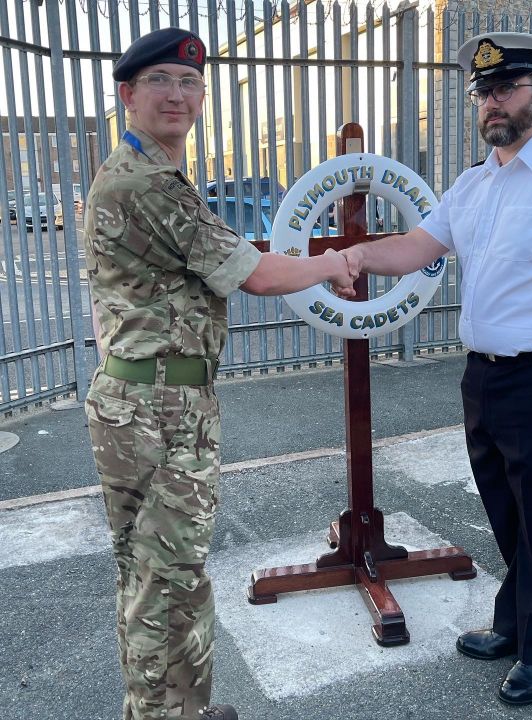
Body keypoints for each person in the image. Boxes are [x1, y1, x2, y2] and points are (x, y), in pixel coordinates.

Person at [333, 32, 532, 706]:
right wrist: (353, 258)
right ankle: (514, 622)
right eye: (483, 92)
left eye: (506, 88)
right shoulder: (474, 183)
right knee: (507, 510)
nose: (491, 103)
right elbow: (419, 245)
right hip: (484, 376)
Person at [83, 28, 355, 720]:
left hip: (149, 397)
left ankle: (182, 709)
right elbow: (255, 274)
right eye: (160, 81)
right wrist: (335, 262)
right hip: (158, 407)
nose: (177, 94)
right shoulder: (146, 183)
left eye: (189, 83)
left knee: (160, 573)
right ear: (128, 94)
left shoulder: (151, 174)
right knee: (164, 581)